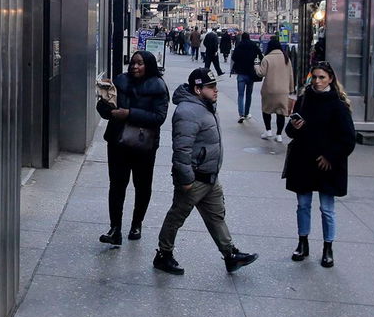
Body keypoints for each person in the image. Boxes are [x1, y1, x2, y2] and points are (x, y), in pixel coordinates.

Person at [152, 67, 258, 276]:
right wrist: (187, 180)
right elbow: (181, 150)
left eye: (215, 86)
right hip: (194, 178)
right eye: (211, 87)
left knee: (216, 217)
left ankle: (230, 255)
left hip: (210, 176)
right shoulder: (187, 111)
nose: (216, 90)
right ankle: (163, 255)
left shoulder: (206, 105)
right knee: (177, 217)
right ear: (198, 89)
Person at [283, 62, 356, 268]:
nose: (317, 81)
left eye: (322, 77)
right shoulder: (304, 100)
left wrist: (330, 157)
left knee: (327, 208)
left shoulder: (338, 104)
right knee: (303, 205)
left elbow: (348, 138)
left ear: (330, 79)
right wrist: (294, 127)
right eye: (314, 77)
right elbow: (290, 132)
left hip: (326, 165)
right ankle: (302, 242)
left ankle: (327, 247)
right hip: (303, 160)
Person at [95, 51, 170, 246]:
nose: (135, 67)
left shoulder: (158, 86)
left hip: (143, 145)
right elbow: (106, 112)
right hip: (118, 142)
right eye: (133, 63)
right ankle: (115, 229)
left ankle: (137, 223)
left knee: (142, 186)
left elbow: (158, 118)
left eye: (140, 63)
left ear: (149, 66)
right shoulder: (120, 81)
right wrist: (104, 103)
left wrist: (129, 114)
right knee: (117, 185)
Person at [256, 36, 294, 142]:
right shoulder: (286, 58)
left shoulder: (267, 58)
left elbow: (261, 73)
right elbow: (291, 74)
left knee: (266, 110)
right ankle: (279, 135)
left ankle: (268, 130)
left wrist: (256, 66)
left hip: (269, 90)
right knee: (281, 112)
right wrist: (291, 88)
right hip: (283, 91)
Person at [230, 31, 264, 123]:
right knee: (248, 95)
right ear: (249, 37)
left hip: (241, 73)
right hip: (251, 74)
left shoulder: (239, 46)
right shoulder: (253, 45)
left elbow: (233, 58)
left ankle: (241, 114)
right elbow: (261, 56)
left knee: (240, 95)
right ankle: (246, 113)